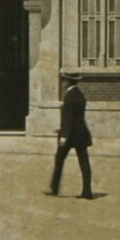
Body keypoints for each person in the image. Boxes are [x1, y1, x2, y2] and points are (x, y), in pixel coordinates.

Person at [48, 70, 94, 199]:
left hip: (70, 135)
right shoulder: (80, 94)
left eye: (64, 80)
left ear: (68, 82)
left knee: (59, 160)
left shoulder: (69, 97)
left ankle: (54, 188)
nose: (63, 82)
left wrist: (63, 136)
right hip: (81, 133)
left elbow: (69, 118)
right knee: (84, 162)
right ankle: (87, 191)